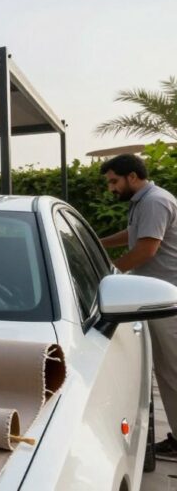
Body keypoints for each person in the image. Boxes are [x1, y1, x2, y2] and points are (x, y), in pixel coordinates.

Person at [98, 153, 177, 461]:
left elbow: (146, 248)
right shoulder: (142, 202)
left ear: (132, 176)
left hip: (167, 300)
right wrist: (97, 243)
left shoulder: (155, 202)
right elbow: (134, 236)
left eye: (114, 181)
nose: (111, 188)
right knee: (168, 371)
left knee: (173, 371)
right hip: (156, 297)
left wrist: (110, 275)